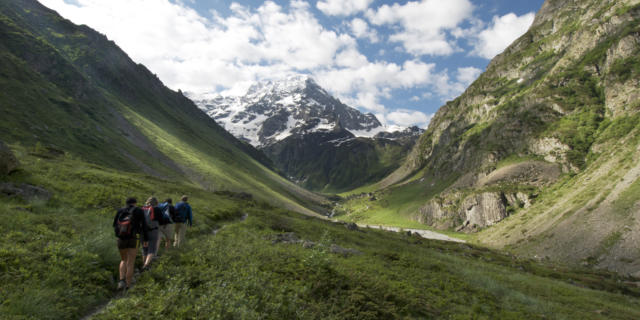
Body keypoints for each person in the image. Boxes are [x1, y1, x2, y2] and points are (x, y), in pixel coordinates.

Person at [113, 197, 148, 290]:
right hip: (134, 238)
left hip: (121, 238)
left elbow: (114, 225)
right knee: (130, 262)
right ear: (135, 203)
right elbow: (144, 225)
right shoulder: (139, 211)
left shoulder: (120, 210)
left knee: (123, 260)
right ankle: (128, 286)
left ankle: (121, 281)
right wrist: (146, 239)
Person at [141, 197, 161, 270]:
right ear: (156, 202)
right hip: (153, 231)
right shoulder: (157, 209)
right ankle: (146, 265)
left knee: (144, 248)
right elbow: (161, 220)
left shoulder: (142, 209)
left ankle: (143, 263)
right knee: (151, 248)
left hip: (143, 232)